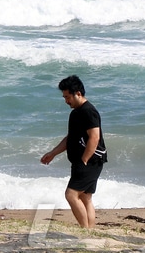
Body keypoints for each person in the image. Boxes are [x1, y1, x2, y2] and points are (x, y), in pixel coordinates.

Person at [40, 74, 107, 228]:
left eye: (67, 97)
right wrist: (53, 153)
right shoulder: (76, 113)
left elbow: (94, 137)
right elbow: (71, 138)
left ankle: (84, 230)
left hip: (90, 160)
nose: (66, 101)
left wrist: (84, 160)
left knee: (71, 195)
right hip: (84, 161)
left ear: (78, 93)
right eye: (64, 97)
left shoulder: (88, 111)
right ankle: (89, 231)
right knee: (85, 197)